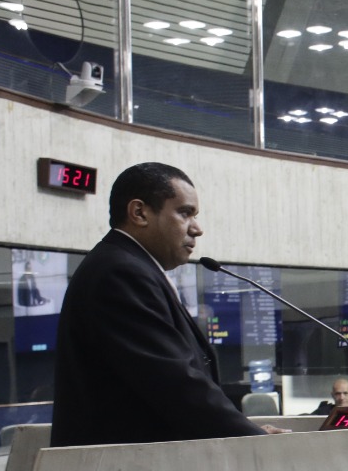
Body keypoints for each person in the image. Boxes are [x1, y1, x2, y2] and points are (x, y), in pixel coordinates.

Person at [51, 162, 270, 448]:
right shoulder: (120, 273)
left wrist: (250, 431)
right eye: (184, 213)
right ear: (139, 213)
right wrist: (256, 440)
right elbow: (174, 382)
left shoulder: (131, 267)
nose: (197, 229)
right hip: (124, 468)